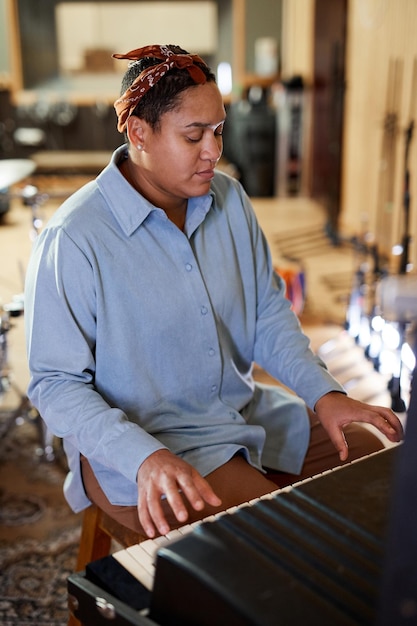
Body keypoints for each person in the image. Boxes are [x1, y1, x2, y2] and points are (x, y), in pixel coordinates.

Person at [24, 44, 403, 540]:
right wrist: (143, 458)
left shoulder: (230, 201)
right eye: (194, 135)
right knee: (277, 536)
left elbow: (267, 312)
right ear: (139, 132)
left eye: (219, 130)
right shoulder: (75, 238)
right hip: (144, 447)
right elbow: (56, 384)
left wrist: (324, 392)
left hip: (241, 415)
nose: (214, 151)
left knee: (381, 475)